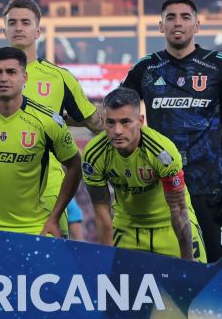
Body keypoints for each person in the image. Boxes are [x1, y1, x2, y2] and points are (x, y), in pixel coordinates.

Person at [121, 0, 222, 262]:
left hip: (211, 190)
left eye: (185, 17)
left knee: (220, 272)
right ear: (160, 26)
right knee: (169, 272)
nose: (178, 23)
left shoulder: (219, 65)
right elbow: (115, 115)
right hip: (163, 191)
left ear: (197, 25)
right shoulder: (145, 68)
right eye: (171, 17)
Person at [0, 0, 101, 233]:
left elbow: (95, 123)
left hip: (48, 196)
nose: (18, 27)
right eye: (13, 22)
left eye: (25, 22)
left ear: (37, 31)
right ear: (4, 29)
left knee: (48, 267)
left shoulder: (60, 78)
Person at [0, 47, 81, 236]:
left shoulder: (47, 121)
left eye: (11, 72)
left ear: (25, 77)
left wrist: (55, 216)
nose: (3, 78)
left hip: (34, 229)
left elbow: (75, 164)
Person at [82, 87, 206, 263]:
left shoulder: (163, 153)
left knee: (193, 288)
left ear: (140, 121)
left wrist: (188, 263)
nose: (117, 130)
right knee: (120, 289)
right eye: (111, 122)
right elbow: (101, 209)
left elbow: (178, 210)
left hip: (170, 226)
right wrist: (106, 260)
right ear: (103, 122)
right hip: (127, 228)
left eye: (125, 122)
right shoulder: (93, 155)